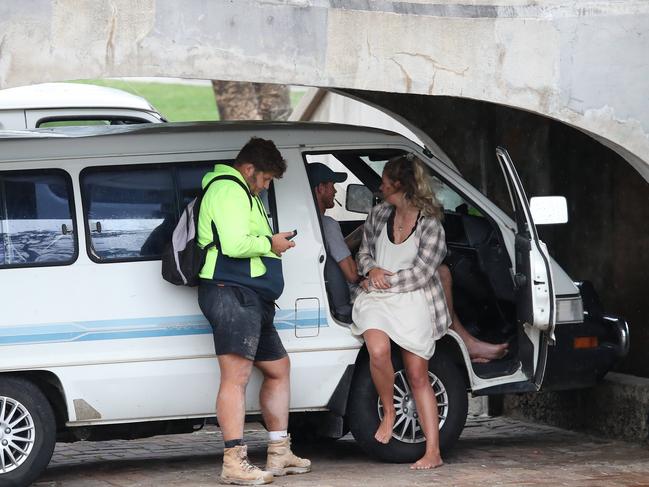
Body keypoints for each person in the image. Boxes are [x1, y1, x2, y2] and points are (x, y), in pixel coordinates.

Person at [306, 162, 508, 363]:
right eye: (332, 185)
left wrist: (362, 236)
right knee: (442, 273)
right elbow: (353, 274)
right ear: (320, 188)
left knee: (442, 271)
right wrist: (373, 276)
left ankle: (465, 340)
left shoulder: (315, 224)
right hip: (362, 289)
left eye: (383, 183)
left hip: (370, 283)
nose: (335, 190)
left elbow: (339, 247)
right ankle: (462, 341)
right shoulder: (331, 225)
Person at [197, 137, 311, 485]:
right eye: (263, 180)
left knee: (278, 368)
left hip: (251, 297)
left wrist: (269, 241)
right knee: (236, 377)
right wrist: (271, 244)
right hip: (231, 293)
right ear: (249, 169)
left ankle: (279, 451)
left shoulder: (243, 193)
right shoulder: (229, 190)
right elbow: (233, 245)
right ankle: (234, 461)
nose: (264, 187)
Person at [351, 154, 448, 470]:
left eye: (385, 184)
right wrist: (372, 269)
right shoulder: (379, 214)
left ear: (402, 187)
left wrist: (385, 279)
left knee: (418, 375)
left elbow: (422, 273)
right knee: (378, 351)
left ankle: (433, 451)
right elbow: (363, 253)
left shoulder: (430, 224)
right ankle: (390, 412)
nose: (380, 189)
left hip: (413, 298)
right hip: (376, 299)